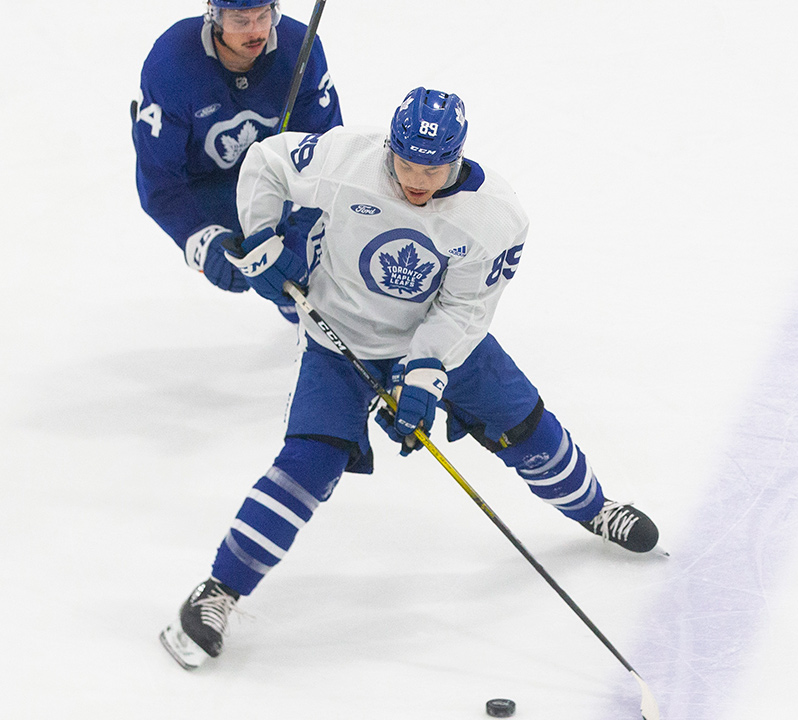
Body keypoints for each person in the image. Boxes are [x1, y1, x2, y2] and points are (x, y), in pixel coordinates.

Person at [159, 87, 661, 670]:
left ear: (459, 156)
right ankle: (218, 591)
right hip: (337, 334)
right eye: (407, 163)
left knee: (527, 428)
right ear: (390, 147)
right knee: (306, 466)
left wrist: (424, 373)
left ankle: (594, 509)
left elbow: (465, 310)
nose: (418, 179)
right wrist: (266, 236)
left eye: (434, 166)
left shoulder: (496, 216)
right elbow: (268, 161)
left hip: (441, 341)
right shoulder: (348, 160)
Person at [131, 0, 343, 322]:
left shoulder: (300, 48)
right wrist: (201, 238)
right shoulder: (170, 64)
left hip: (276, 177)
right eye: (241, 21)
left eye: (263, 16)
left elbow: (326, 157)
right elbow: (161, 182)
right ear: (214, 16)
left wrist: (305, 234)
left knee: (308, 272)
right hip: (208, 185)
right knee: (255, 259)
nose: (257, 31)